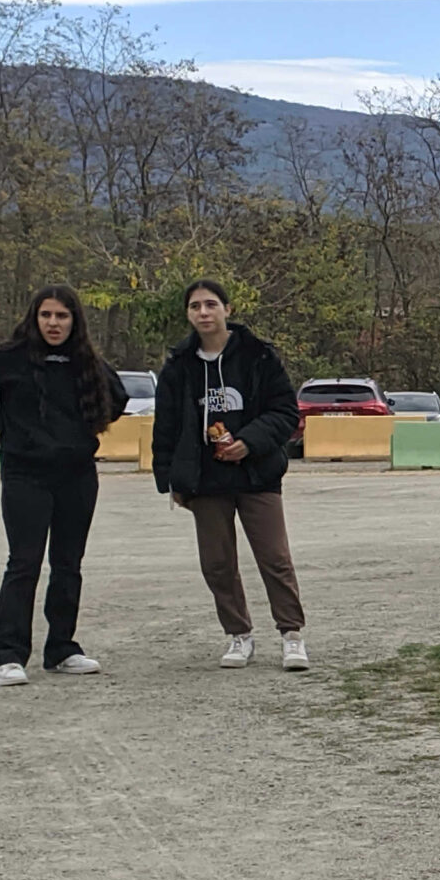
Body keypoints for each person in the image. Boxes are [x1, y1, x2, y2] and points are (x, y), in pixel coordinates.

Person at [0, 286, 130, 687]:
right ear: (34, 318)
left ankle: (62, 648)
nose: (54, 323)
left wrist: (86, 426)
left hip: (77, 474)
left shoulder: (86, 360)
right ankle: (7, 655)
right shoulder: (11, 357)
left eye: (62, 316)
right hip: (26, 473)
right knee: (24, 562)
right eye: (46, 315)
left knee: (68, 564)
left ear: (74, 321)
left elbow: (119, 397)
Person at [151, 279, 310, 671]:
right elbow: (165, 426)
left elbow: (285, 412)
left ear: (228, 309)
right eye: (195, 307)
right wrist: (170, 480)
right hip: (205, 480)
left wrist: (249, 442)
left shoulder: (259, 356)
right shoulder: (178, 365)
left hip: (257, 475)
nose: (203, 313)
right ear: (188, 314)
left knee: (274, 558)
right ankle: (239, 635)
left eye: (211, 304)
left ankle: (291, 635)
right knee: (218, 563)